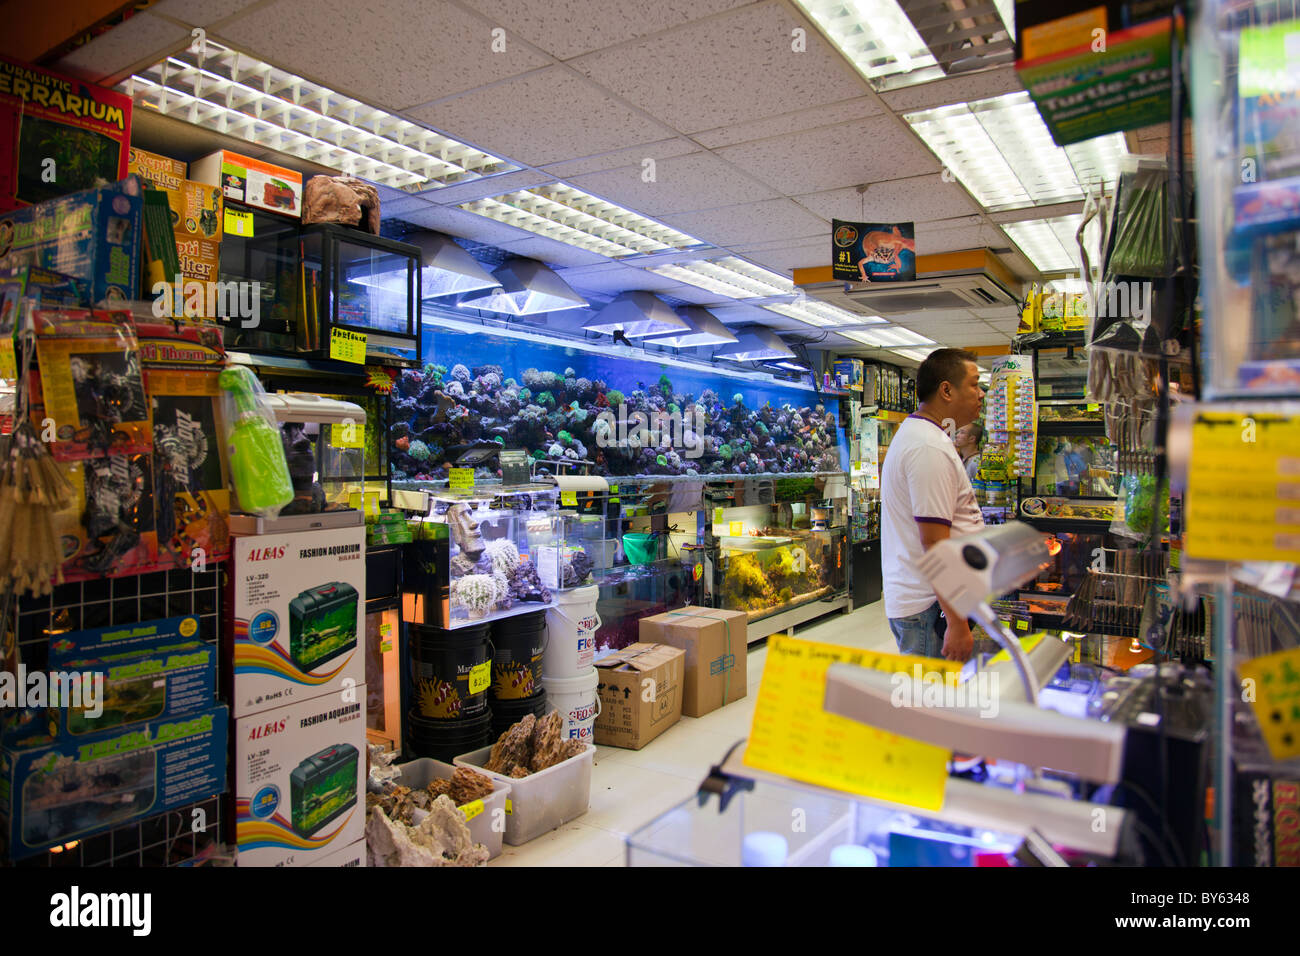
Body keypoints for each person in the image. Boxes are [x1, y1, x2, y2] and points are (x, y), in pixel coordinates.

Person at [881, 348, 985, 661]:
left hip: (931, 605)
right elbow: (935, 544)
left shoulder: (925, 437)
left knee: (934, 703)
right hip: (931, 609)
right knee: (929, 702)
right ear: (947, 390)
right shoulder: (928, 446)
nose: (981, 393)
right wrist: (955, 622)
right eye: (974, 384)